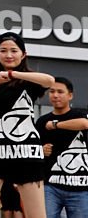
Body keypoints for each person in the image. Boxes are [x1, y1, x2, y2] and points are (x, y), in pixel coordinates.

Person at [0, 32, 54, 218]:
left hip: (27, 153)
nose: (9, 55)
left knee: (36, 215)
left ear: (23, 54)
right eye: (3, 50)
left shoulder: (29, 80)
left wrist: (12, 74)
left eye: (14, 51)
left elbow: (50, 81)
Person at [35, 77, 88, 218]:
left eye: (60, 91)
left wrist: (55, 125)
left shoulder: (80, 114)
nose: (55, 95)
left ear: (70, 95)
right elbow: (32, 148)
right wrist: (41, 150)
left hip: (81, 187)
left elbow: (84, 124)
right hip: (50, 185)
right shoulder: (42, 121)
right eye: (52, 91)